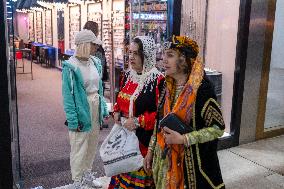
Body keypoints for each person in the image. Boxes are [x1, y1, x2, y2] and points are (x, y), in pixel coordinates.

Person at [144, 36, 225, 189]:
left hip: (190, 167)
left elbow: (218, 128)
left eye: (170, 55)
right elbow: (158, 122)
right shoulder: (165, 85)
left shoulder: (202, 91)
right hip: (164, 162)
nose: (164, 60)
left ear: (183, 60)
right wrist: (150, 151)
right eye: (164, 54)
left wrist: (184, 139)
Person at [108, 36, 165, 189]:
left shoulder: (158, 80)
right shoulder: (127, 75)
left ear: (146, 55)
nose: (131, 57)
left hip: (144, 145)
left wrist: (138, 121)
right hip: (124, 143)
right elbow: (119, 101)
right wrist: (116, 113)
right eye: (129, 53)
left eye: (135, 53)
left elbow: (162, 115)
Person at [62, 29, 108, 189]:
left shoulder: (95, 62)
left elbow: (99, 88)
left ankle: (87, 175)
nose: (96, 48)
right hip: (81, 107)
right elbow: (68, 97)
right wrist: (73, 120)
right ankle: (78, 181)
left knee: (92, 143)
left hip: (94, 104)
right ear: (85, 45)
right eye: (93, 44)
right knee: (79, 145)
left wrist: (102, 109)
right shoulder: (71, 66)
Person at [84, 21, 109, 129]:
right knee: (97, 97)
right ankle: (97, 120)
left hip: (87, 78)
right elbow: (100, 65)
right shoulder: (96, 46)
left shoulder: (83, 44)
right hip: (95, 78)